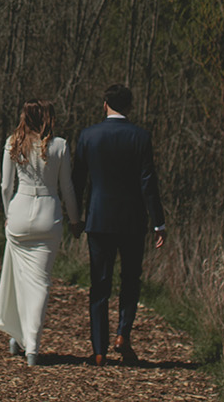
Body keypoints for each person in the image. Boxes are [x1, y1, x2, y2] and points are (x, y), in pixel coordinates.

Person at [71, 82, 166, 366]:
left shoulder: (88, 136)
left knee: (99, 284)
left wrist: (75, 219)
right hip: (132, 220)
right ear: (129, 106)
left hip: (98, 219)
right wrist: (158, 222)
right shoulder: (140, 137)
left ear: (105, 104)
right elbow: (148, 183)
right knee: (130, 280)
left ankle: (99, 349)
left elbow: (78, 181)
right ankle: (123, 333)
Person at [0, 98, 79, 367]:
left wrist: (8, 215)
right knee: (40, 282)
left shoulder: (13, 142)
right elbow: (67, 189)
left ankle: (16, 337)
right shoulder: (59, 146)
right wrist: (75, 220)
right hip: (47, 216)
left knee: (18, 279)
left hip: (19, 214)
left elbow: (6, 186)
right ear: (48, 117)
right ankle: (32, 344)